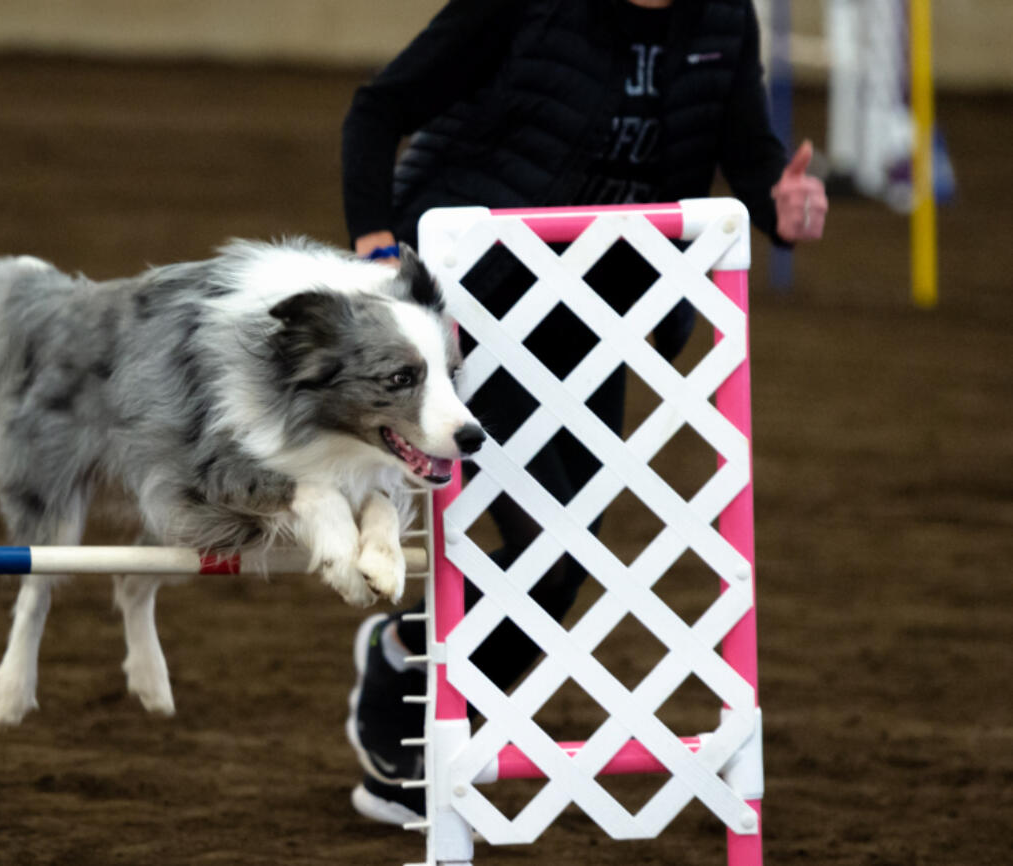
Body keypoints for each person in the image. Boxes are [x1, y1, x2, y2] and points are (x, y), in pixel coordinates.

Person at [341, 0, 827, 826]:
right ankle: (411, 729)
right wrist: (375, 245)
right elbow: (379, 108)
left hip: (606, 321)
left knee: (573, 551)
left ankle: (402, 655)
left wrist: (780, 207)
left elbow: (749, 165)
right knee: (553, 552)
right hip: (477, 310)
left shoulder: (722, 19)